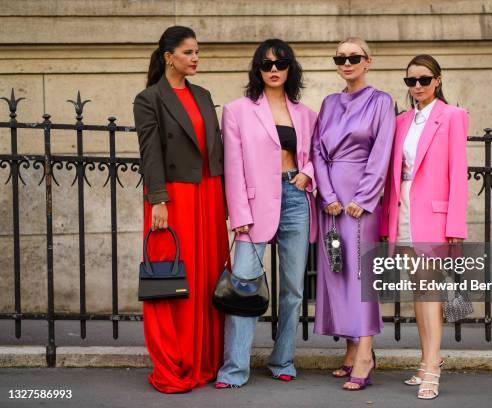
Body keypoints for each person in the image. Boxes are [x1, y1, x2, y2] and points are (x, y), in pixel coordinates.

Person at [215, 38, 317, 388]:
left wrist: (309, 173)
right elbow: (233, 165)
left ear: (291, 68)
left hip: (295, 198)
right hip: (254, 206)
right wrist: (238, 213)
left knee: (293, 289)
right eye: (266, 64)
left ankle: (282, 359)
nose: (274, 69)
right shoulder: (237, 110)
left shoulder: (306, 114)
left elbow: (316, 156)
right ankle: (234, 369)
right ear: (257, 69)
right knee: (243, 286)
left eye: (281, 62)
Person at [133, 25, 228, 393]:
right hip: (174, 197)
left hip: (208, 193)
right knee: (174, 274)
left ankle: (205, 358)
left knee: (207, 275)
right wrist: (157, 199)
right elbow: (150, 152)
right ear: (168, 56)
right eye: (188, 52)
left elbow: (215, 150)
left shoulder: (203, 95)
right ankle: (175, 359)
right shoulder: (149, 98)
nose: (195, 58)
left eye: (197, 52)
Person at [380, 54, 469, 400]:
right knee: (419, 292)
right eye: (411, 81)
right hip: (403, 214)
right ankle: (425, 360)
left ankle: (433, 367)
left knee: (430, 291)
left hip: (434, 216)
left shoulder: (452, 116)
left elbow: (457, 174)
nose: (417, 86)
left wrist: (455, 224)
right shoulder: (402, 121)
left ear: (438, 79)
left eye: (424, 80)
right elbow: (394, 174)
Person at [312, 37, 395, 391]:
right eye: (340, 58)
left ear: (368, 61)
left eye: (354, 57)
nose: (347, 63)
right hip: (331, 201)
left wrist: (363, 197)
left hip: (361, 202)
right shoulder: (329, 103)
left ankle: (365, 354)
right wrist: (327, 194)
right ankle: (349, 350)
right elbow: (316, 149)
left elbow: (382, 152)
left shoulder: (381, 101)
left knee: (361, 275)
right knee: (337, 270)